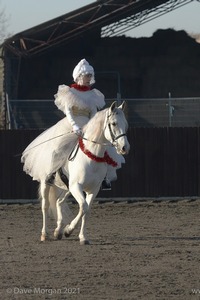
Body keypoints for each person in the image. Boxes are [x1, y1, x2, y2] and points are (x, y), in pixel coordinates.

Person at [21, 58, 115, 189]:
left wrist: (93, 128)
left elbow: (94, 114)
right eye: (86, 76)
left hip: (88, 127)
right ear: (78, 77)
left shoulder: (93, 95)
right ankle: (51, 174)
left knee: (103, 147)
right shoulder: (69, 92)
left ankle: (104, 178)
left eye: (90, 76)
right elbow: (69, 112)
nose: (89, 78)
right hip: (72, 124)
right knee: (59, 147)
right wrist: (75, 126)